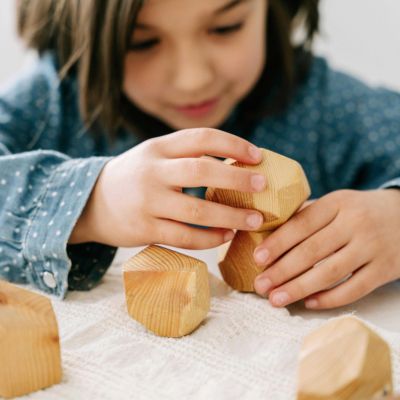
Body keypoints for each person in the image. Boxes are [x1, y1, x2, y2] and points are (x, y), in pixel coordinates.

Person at [1, 0, 399, 310]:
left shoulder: (324, 104)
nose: (192, 78)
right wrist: (91, 205)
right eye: (141, 42)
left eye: (225, 27)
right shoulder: (51, 103)